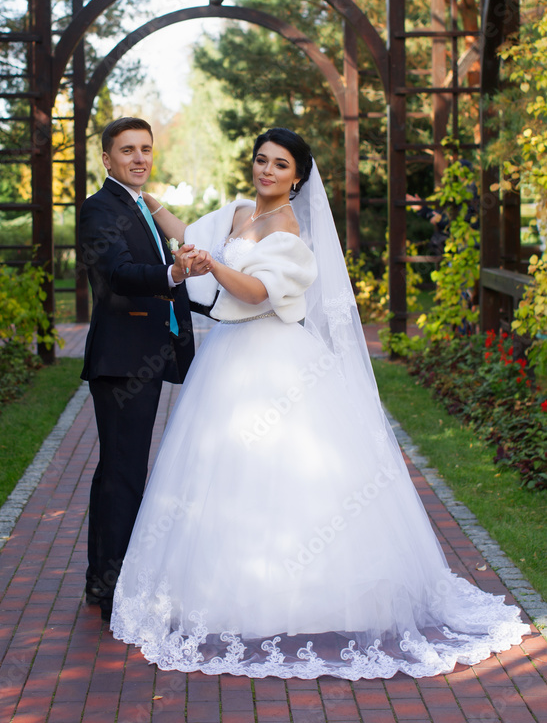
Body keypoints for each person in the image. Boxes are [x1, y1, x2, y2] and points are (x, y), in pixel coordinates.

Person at [109, 127, 530, 679]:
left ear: (298, 177)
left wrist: (212, 267)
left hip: (275, 357)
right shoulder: (239, 213)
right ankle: (227, 586)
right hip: (229, 359)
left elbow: (258, 293)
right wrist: (147, 198)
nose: (266, 171)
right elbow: (190, 232)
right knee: (223, 472)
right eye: (261, 160)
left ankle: (306, 595)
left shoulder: (288, 229)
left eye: (280, 165)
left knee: (287, 467)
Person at [79, 116, 208, 618]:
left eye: (145, 149)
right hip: (123, 363)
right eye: (127, 150)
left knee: (124, 470)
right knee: (123, 473)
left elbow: (162, 278)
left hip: (146, 355)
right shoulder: (99, 209)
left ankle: (107, 578)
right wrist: (174, 271)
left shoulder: (140, 207)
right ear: (107, 160)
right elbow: (116, 276)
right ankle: (109, 587)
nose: (138, 158)